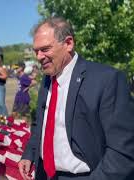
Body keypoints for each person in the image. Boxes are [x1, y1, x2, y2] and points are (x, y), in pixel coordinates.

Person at [18, 17, 134, 180]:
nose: (39, 56)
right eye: (36, 51)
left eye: (45, 49)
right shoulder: (47, 79)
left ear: (68, 43)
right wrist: (29, 153)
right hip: (45, 174)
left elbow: (122, 151)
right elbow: (40, 124)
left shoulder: (107, 80)